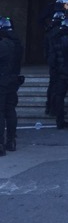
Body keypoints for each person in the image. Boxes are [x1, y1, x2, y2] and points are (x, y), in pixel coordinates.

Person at [0, 17, 23, 155]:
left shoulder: (3, 45)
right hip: (13, 81)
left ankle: (0, 144)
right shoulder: (17, 44)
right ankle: (11, 140)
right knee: (10, 111)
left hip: (2, 81)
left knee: (1, 112)